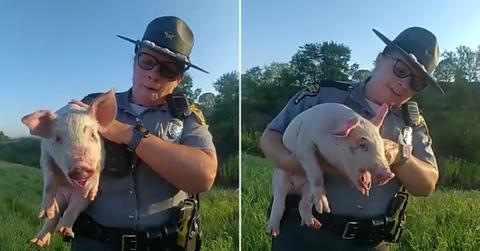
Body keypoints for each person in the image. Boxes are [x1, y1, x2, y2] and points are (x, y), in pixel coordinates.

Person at [260, 27, 442, 251]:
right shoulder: (324, 95)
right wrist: (294, 163)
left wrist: (398, 155)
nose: (404, 84)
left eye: (417, 83)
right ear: (380, 58)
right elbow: (270, 136)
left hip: (371, 242)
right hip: (304, 235)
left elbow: (427, 184)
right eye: (401, 69)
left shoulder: (412, 122)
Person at [71, 16, 217, 251]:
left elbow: (203, 176)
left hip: (164, 244)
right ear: (135, 60)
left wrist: (128, 134)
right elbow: (59, 153)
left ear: (179, 78)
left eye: (168, 69)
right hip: (95, 242)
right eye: (147, 61)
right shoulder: (95, 107)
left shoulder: (186, 116)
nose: (153, 75)